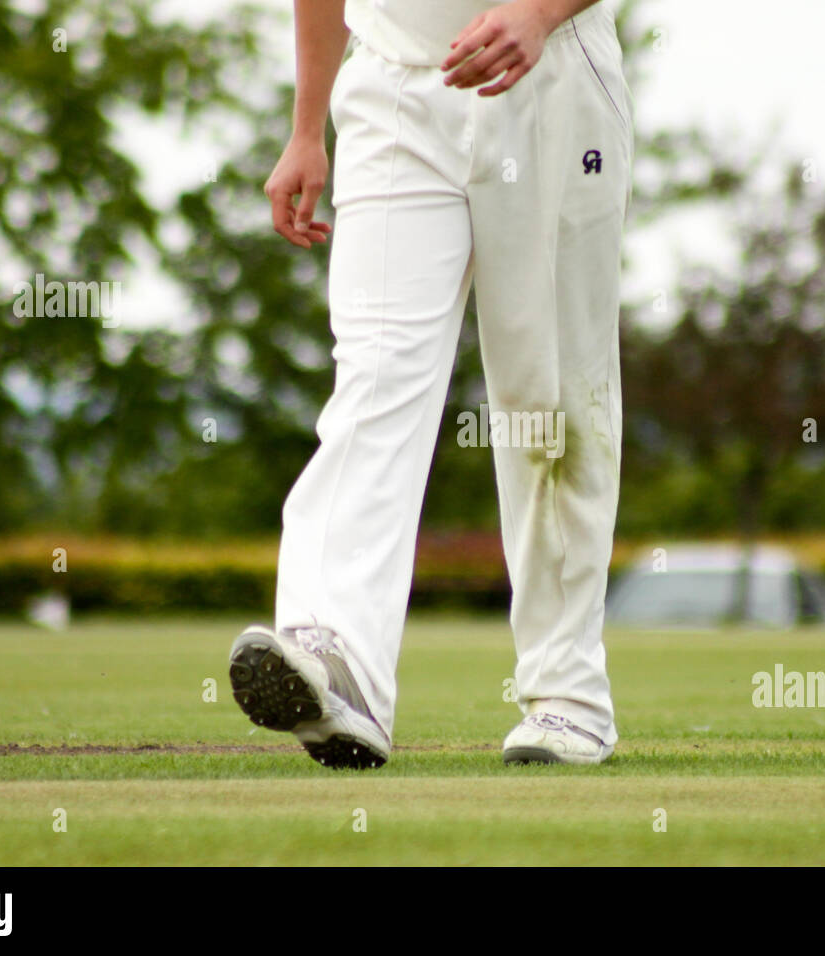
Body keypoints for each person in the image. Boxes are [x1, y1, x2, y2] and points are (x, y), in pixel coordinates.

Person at [228, 0, 633, 769]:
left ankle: (565, 697)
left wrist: (541, 15)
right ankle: (337, 662)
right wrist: (306, 128)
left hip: (551, 78)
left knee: (547, 405)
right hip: (392, 87)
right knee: (375, 378)